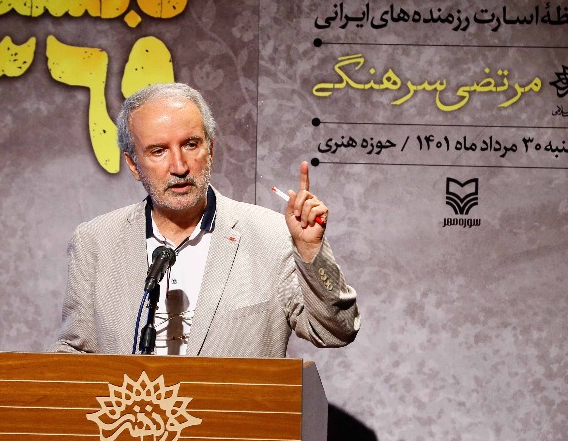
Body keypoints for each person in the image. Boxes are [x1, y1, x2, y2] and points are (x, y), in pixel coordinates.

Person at [49, 82, 360, 357]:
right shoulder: (95, 241)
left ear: (210, 149)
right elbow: (76, 352)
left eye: (190, 144)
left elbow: (336, 331)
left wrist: (310, 252)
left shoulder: (272, 235)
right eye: (158, 151)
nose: (179, 166)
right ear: (133, 165)